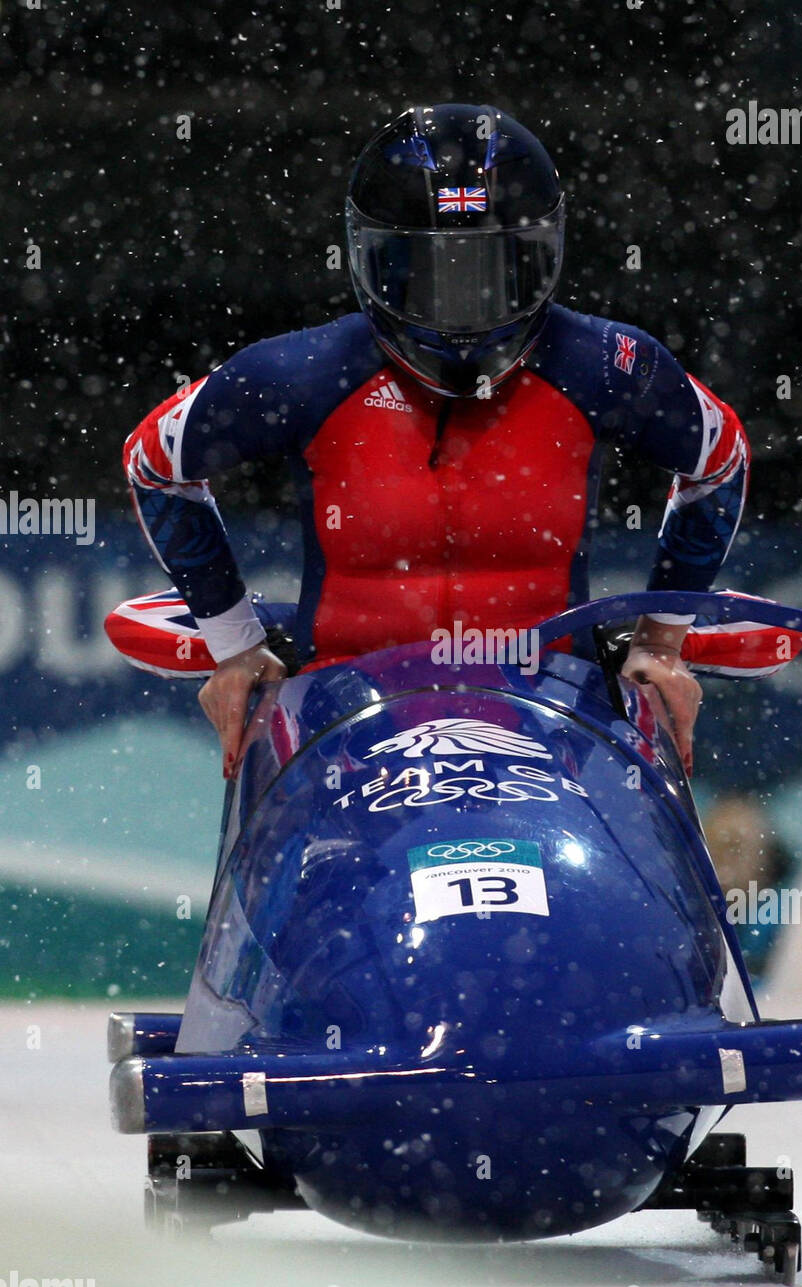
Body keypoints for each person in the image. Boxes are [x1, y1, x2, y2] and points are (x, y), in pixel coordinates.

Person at [123, 103, 750, 780]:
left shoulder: (608, 366)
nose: (460, 308)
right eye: (429, 273)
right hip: (338, 732)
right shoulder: (299, 376)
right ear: (372, 258)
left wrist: (661, 642)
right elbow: (155, 463)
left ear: (543, 255)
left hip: (558, 732)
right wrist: (234, 645)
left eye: (488, 273)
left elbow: (719, 459)